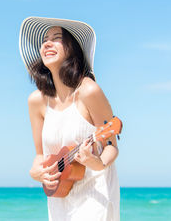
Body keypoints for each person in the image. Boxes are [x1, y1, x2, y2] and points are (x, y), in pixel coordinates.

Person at [19, 17, 120, 221]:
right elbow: (40, 156)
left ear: (73, 50)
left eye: (56, 38)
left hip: (95, 194)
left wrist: (96, 162)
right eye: (44, 40)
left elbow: (111, 145)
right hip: (59, 198)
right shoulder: (36, 101)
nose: (47, 43)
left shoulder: (88, 91)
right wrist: (36, 173)